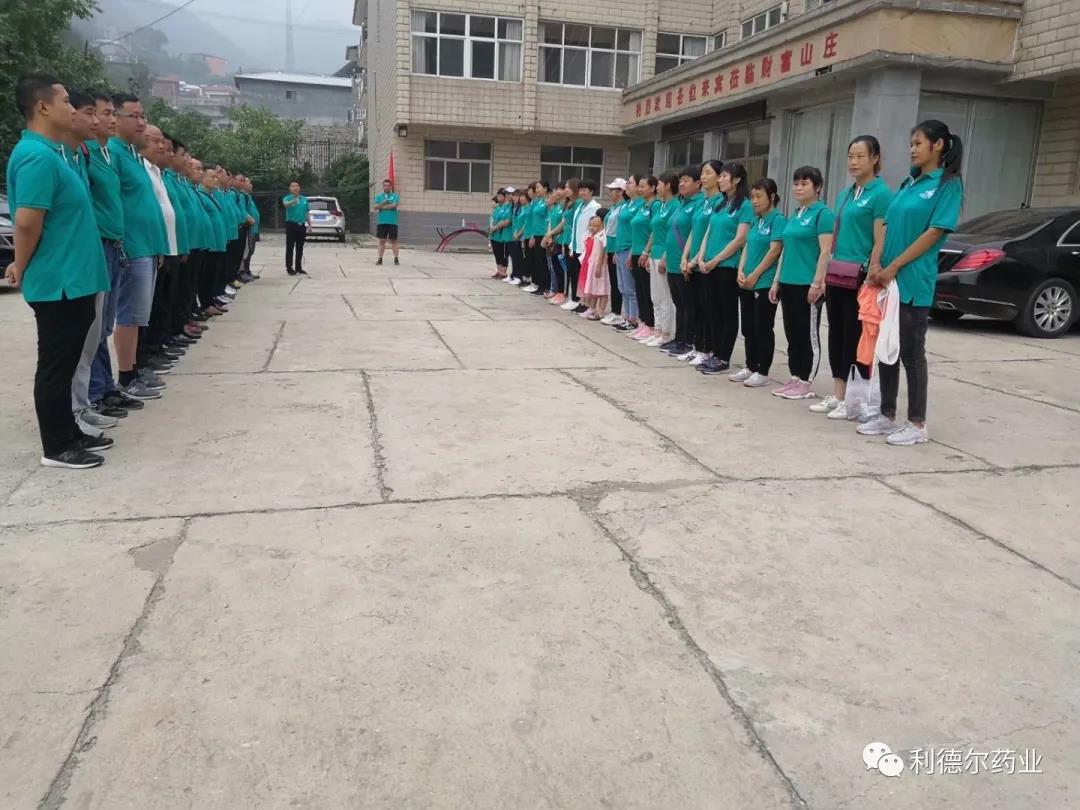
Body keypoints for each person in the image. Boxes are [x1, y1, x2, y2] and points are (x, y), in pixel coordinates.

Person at [5, 74, 112, 468]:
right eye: (65, 101)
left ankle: (70, 432)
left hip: (75, 279)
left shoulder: (54, 154)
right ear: (43, 107)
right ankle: (56, 446)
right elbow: (27, 222)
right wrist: (21, 264)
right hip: (59, 281)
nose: (71, 107)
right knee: (55, 365)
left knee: (66, 363)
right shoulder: (36, 156)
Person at [859, 119, 964, 446]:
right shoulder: (909, 183)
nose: (912, 150)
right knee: (886, 348)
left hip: (913, 281)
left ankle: (917, 424)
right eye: (911, 144)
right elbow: (887, 226)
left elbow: (934, 232)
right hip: (887, 281)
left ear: (938, 145)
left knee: (911, 352)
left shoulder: (947, 184)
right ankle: (887, 414)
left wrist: (894, 266)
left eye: (918, 144)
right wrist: (876, 263)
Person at [817, 135, 892, 421]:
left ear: (875, 158)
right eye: (850, 156)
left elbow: (880, 237)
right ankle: (838, 395)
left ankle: (855, 399)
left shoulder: (881, 194)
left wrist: (873, 269)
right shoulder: (846, 194)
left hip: (860, 276)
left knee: (855, 337)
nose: (854, 162)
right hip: (837, 272)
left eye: (860, 156)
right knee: (836, 333)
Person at [63, 90, 118, 435]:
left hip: (95, 256)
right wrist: (20, 262)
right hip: (71, 265)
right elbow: (28, 220)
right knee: (71, 346)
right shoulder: (44, 155)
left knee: (92, 336)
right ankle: (70, 418)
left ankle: (83, 405)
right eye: (93, 112)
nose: (99, 120)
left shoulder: (78, 155)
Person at [86, 90, 143, 418]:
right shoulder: (86, 154)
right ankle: (96, 391)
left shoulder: (107, 155)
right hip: (98, 246)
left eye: (110, 113)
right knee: (95, 326)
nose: (107, 119)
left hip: (114, 246)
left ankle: (105, 386)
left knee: (104, 324)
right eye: (104, 113)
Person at [110, 92, 169, 401]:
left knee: (138, 316)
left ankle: (133, 370)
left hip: (146, 247)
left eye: (143, 116)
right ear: (116, 118)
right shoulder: (113, 153)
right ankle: (126, 376)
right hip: (131, 248)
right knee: (129, 315)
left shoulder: (132, 155)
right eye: (134, 116)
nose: (141, 122)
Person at [770, 166, 834, 400]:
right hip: (788, 282)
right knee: (792, 333)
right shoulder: (796, 214)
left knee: (807, 335)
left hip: (807, 284)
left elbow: (826, 251)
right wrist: (776, 282)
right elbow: (785, 251)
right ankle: (795, 376)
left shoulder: (822, 214)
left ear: (817, 187)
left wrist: (817, 283)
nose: (798, 188)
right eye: (796, 183)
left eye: (804, 183)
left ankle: (806, 381)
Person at [696, 162, 752, 375]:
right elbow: (708, 233)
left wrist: (716, 260)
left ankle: (723, 357)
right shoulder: (720, 204)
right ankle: (714, 352)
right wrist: (701, 257)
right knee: (712, 312)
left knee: (727, 313)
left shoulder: (744, 206)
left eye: (724, 176)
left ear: (737, 179)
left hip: (727, 266)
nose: (720, 180)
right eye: (719, 176)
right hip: (708, 265)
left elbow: (740, 239)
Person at [734, 178, 785, 388]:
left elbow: (775, 251)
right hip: (747, 281)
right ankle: (750, 365)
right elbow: (747, 246)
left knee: (762, 327)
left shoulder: (777, 219)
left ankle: (762, 371)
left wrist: (755, 274)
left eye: (759, 197)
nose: (754, 201)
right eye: (752, 197)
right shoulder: (757, 220)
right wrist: (741, 270)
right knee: (747, 327)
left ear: (771, 197)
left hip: (763, 282)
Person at [682, 161, 722, 365]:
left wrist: (696, 259)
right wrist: (685, 257)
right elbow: (693, 231)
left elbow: (710, 234)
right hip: (693, 263)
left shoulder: (720, 201)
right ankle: (697, 347)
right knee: (696, 308)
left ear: (719, 176)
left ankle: (708, 349)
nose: (704, 177)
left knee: (708, 310)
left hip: (705, 263)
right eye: (702, 173)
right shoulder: (702, 202)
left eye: (708, 173)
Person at [663, 165, 703, 359]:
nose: (682, 184)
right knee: (679, 303)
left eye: (687, 180)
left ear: (698, 183)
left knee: (688, 304)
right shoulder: (681, 203)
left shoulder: (699, 203)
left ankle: (689, 341)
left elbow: (695, 233)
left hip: (684, 263)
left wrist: (689, 260)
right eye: (681, 180)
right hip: (672, 262)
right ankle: (679, 338)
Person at [645, 172, 679, 348]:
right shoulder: (661, 206)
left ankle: (666, 333)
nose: (657, 187)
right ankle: (657, 330)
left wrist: (665, 257)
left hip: (665, 255)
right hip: (654, 254)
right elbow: (654, 231)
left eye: (659, 184)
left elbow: (672, 233)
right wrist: (647, 252)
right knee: (655, 296)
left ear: (668, 185)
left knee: (666, 297)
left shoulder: (675, 205)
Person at [630, 175, 659, 341]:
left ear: (653, 188)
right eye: (639, 186)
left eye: (643, 186)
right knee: (640, 290)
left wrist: (646, 252)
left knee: (648, 291)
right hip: (636, 252)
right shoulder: (642, 206)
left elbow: (654, 231)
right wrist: (632, 253)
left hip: (645, 254)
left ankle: (650, 324)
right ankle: (643, 322)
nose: (640, 189)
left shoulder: (655, 205)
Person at [612, 174, 641, 332]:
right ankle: (626, 316)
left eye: (630, 183)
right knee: (622, 286)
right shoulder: (628, 204)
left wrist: (632, 252)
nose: (627, 186)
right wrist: (616, 251)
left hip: (629, 248)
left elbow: (637, 230)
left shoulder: (640, 205)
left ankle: (633, 319)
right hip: (620, 248)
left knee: (630, 287)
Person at [569, 179, 600, 313]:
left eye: (584, 190)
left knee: (586, 277)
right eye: (580, 190)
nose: (581, 193)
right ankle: (580, 301)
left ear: (591, 192)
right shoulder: (579, 207)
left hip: (587, 247)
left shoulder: (595, 207)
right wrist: (572, 246)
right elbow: (575, 228)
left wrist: (588, 245)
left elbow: (594, 228)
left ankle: (586, 303)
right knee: (578, 276)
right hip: (576, 246)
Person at [601, 179, 626, 325]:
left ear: (621, 191)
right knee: (613, 281)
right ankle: (614, 310)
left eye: (613, 190)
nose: (610, 193)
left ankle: (618, 312)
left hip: (618, 246)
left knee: (619, 282)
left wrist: (616, 249)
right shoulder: (613, 207)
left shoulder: (623, 207)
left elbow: (619, 230)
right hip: (610, 246)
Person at [579, 210, 610, 320]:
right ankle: (592, 309)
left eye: (595, 225)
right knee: (594, 288)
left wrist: (599, 266)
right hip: (593, 263)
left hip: (600, 265)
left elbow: (603, 251)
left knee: (602, 289)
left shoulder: (603, 235)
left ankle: (601, 311)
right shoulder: (596, 235)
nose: (591, 228)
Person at [558, 178, 583, 309]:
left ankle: (576, 298)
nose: (566, 190)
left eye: (568, 187)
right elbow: (565, 223)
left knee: (575, 271)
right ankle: (572, 297)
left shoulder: (578, 203)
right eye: (565, 187)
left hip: (574, 241)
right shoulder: (569, 203)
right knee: (571, 271)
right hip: (567, 240)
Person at [283, 180, 310, 275]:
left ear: (299, 188)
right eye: (293, 186)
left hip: (301, 225)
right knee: (290, 247)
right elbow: (285, 205)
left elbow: (307, 212)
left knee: (300, 248)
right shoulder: (287, 198)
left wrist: (309, 224)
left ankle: (298, 267)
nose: (295, 187)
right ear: (290, 188)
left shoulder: (304, 199)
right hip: (291, 225)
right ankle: (289, 268)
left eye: (297, 186)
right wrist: (294, 200)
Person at [373, 178, 400, 265]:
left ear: (391, 186)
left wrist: (381, 207)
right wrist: (383, 203)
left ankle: (396, 259)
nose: (386, 187)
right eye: (385, 185)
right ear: (383, 186)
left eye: (388, 185)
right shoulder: (379, 196)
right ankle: (380, 259)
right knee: (382, 241)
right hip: (382, 222)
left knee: (394, 241)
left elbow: (394, 206)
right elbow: (375, 207)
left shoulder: (395, 196)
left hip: (392, 222)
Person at [488, 188, 512, 280]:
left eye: (501, 196)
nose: (499, 197)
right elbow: (493, 218)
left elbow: (505, 220)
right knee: (497, 254)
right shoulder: (498, 208)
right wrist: (491, 227)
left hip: (501, 235)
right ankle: (498, 271)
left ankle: (503, 272)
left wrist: (496, 227)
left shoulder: (507, 207)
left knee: (503, 254)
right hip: (494, 235)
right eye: (498, 196)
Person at [507, 189, 529, 286]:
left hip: (522, 236)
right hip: (515, 236)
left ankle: (520, 276)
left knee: (520, 258)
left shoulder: (523, 208)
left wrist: (519, 233)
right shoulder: (516, 208)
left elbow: (525, 224)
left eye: (517, 196)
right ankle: (515, 275)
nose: (515, 198)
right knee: (515, 257)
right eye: (514, 195)